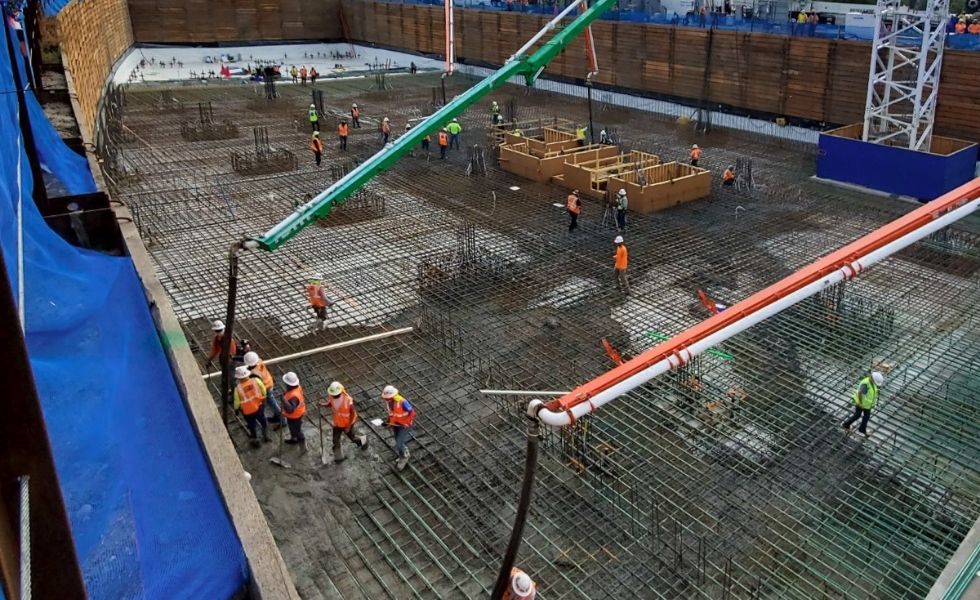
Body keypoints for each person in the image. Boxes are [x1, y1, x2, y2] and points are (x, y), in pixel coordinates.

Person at [323, 381, 368, 463]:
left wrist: (349, 427)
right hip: (337, 423)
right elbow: (331, 403)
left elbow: (354, 415)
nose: (334, 396)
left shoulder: (348, 401)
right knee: (335, 440)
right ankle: (339, 457)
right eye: (333, 394)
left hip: (347, 424)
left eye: (335, 394)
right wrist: (324, 405)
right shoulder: (331, 396)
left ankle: (363, 441)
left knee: (353, 438)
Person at [234, 366, 269, 447]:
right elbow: (263, 390)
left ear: (239, 378)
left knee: (251, 424)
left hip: (247, 411)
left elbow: (237, 401)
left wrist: (236, 409)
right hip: (259, 406)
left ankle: (255, 439)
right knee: (262, 419)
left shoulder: (238, 388)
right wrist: (264, 398)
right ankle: (265, 434)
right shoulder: (256, 380)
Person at [382, 385, 415, 471]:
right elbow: (391, 414)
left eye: (388, 398)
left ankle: (404, 457)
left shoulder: (402, 402)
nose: (386, 399)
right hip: (396, 424)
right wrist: (388, 422)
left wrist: (408, 422)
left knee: (399, 444)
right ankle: (404, 451)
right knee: (397, 440)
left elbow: (412, 412)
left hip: (405, 425)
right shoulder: (389, 403)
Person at [245, 351, 282, 426]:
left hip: (266, 387)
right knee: (272, 403)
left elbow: (258, 383)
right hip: (269, 382)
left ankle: (282, 420)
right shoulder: (259, 361)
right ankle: (277, 416)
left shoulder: (253, 373)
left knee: (272, 403)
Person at [842, 371, 883, 436]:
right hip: (861, 403)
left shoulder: (871, 382)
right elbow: (860, 393)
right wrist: (860, 403)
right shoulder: (865, 384)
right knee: (857, 415)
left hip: (867, 405)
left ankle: (862, 429)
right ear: (872, 378)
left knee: (866, 417)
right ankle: (846, 425)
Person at [281, 372, 306, 445]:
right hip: (298, 413)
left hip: (295, 416)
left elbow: (290, 410)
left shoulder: (294, 397)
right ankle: (294, 438)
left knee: (296, 429)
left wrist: (284, 400)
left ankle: (301, 440)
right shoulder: (297, 387)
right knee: (293, 428)